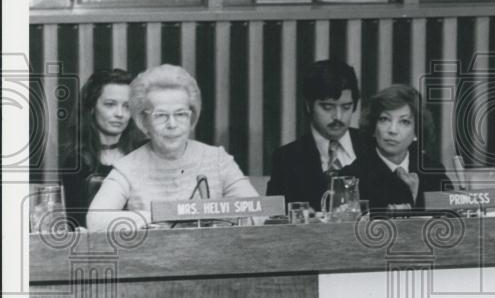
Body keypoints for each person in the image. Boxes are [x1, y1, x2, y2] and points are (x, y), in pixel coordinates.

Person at [87, 64, 258, 230]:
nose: (172, 124)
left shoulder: (218, 159)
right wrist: (161, 215)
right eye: (161, 115)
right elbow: (96, 220)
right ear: (143, 122)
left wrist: (216, 221)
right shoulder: (128, 167)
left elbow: (258, 212)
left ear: (192, 118)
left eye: (181, 114)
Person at [267, 58, 375, 211]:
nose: (338, 116)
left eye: (346, 107)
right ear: (308, 105)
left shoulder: (373, 148)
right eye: (327, 107)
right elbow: (275, 219)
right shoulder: (286, 158)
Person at [60, 69, 145, 227]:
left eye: (127, 106)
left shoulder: (144, 154)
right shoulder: (76, 162)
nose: (120, 114)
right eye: (110, 104)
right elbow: (77, 226)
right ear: (92, 107)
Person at [357, 84, 452, 211]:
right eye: (384, 119)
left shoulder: (433, 171)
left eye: (404, 122)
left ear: (416, 133)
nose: (392, 130)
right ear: (374, 128)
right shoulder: (354, 175)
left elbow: (451, 218)